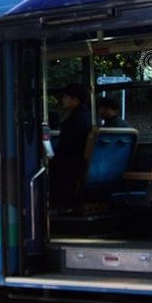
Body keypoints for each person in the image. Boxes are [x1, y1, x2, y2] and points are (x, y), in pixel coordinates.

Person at [50, 82, 91, 212]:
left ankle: (57, 204)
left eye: (65, 96)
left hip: (71, 161)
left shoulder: (75, 118)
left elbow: (66, 144)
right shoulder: (86, 114)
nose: (63, 99)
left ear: (74, 98)